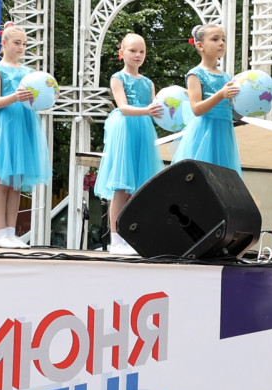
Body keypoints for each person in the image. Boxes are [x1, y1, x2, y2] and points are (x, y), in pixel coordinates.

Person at [0, 23, 51, 248]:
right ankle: (0, 233)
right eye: (17, 43)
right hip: (5, 125)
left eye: (24, 44)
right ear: (4, 43)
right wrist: (15, 97)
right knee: (1, 182)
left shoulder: (28, 73)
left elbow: (37, 98)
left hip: (24, 125)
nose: (21, 48)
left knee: (16, 183)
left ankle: (10, 233)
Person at [94, 33, 164, 255]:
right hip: (125, 130)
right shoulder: (118, 78)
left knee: (140, 188)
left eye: (142, 51)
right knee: (122, 186)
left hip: (143, 131)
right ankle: (116, 239)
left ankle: (134, 237)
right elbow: (123, 107)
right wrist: (147, 111)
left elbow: (156, 110)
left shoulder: (148, 83)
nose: (137, 55)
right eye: (133, 50)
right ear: (121, 52)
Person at [173, 23, 243, 175]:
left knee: (223, 178)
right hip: (204, 133)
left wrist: (246, 107)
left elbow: (234, 114)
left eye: (223, 39)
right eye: (215, 39)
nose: (221, 43)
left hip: (224, 134)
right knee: (203, 177)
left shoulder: (227, 77)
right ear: (200, 45)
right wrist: (221, 94)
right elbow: (196, 109)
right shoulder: (195, 74)